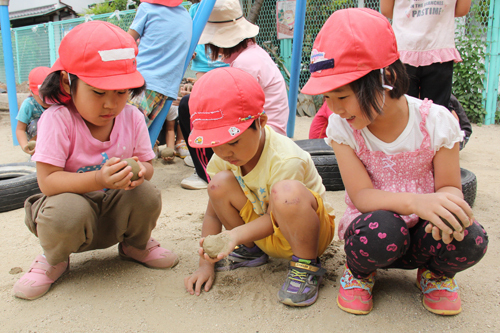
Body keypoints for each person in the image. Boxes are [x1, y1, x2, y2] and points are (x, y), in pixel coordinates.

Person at [301, 8, 488, 315]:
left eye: (343, 96)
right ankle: (360, 273)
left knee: (471, 236)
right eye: (328, 98)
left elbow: (451, 188)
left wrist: (450, 211)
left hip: (424, 236)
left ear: (385, 76)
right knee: (382, 228)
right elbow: (362, 197)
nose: (334, 109)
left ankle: (436, 275)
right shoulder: (342, 129)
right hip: (377, 233)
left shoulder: (436, 123)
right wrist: (417, 203)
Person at [12, 21, 178, 301]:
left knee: (146, 194)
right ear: (68, 81)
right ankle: (54, 259)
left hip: (115, 207)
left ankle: (135, 246)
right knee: (66, 211)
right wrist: (99, 178)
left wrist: (138, 174)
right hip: (70, 210)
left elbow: (147, 166)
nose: (110, 104)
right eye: (98, 92)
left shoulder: (133, 117)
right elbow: (47, 181)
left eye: (122, 92)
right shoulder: (57, 119)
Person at [183, 67, 335, 307]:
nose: (225, 152)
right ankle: (251, 251)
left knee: (286, 193)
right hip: (261, 234)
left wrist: (233, 235)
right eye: (216, 144)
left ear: (261, 122)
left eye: (233, 140)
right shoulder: (224, 156)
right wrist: (206, 264)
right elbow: (213, 211)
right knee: (218, 185)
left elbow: (274, 216)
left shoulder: (285, 158)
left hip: (304, 234)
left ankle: (305, 266)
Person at [178, 0, 289, 190]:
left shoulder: (246, 63)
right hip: (264, 128)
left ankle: (206, 173)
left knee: (188, 105)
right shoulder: (249, 55)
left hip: (262, 133)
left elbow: (233, 106)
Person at [127, 0, 192, 161]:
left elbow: (127, 40)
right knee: (139, 135)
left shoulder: (147, 8)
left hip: (142, 80)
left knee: (125, 131)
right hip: (166, 88)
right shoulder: (185, 14)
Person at [380, 0, 471, 108]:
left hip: (404, 49)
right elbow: (462, 10)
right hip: (439, 49)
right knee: (437, 110)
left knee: (403, 108)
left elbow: (386, 10)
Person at [15, 66, 51, 155]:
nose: (45, 100)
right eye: (41, 96)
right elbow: (20, 129)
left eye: (49, 95)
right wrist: (25, 146)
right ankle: (37, 152)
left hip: (56, 136)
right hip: (37, 138)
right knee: (37, 123)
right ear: (31, 92)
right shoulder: (28, 104)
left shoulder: (60, 101)